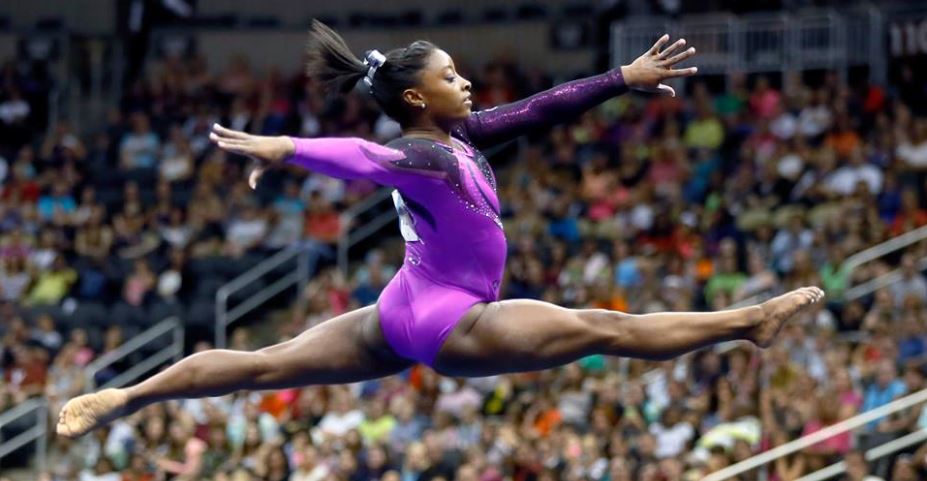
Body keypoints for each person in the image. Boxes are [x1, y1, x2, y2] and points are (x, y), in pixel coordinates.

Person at [57, 20, 824, 438]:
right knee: (605, 328)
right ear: (418, 99)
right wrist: (286, 147)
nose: (467, 82)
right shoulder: (422, 153)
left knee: (261, 364)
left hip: (400, 308)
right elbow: (359, 156)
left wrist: (619, 79)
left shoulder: (459, 138)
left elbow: (539, 108)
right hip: (452, 320)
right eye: (451, 76)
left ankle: (124, 397)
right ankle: (748, 321)